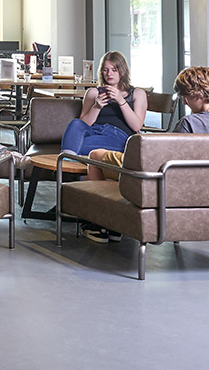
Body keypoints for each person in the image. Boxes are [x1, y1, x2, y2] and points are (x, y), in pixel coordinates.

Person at [82, 66, 209, 243]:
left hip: (158, 179)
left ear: (197, 94)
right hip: (199, 187)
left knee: (95, 155)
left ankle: (101, 224)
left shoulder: (189, 124)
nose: (184, 103)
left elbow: (164, 159)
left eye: (185, 97)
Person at [60, 51, 147, 158]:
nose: (109, 74)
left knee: (75, 145)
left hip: (118, 136)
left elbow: (137, 126)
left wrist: (121, 101)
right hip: (94, 131)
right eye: (105, 70)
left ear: (122, 71)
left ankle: (64, 167)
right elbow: (83, 124)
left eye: (114, 70)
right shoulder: (93, 93)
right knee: (75, 123)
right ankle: (68, 165)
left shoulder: (137, 94)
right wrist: (96, 107)